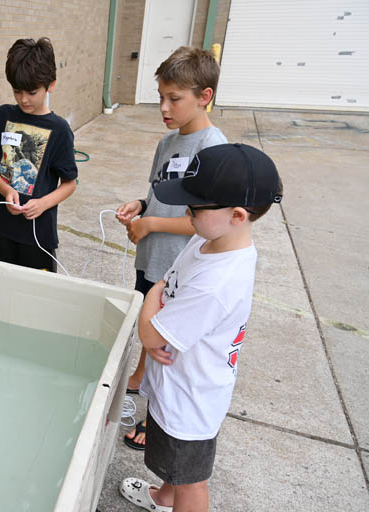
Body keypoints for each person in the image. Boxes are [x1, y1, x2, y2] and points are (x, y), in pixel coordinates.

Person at [119, 143, 283, 512]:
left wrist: (152, 297)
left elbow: (149, 333)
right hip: (179, 381)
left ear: (238, 215)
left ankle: (174, 500)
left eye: (194, 208)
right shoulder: (209, 237)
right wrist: (161, 297)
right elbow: (168, 288)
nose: (186, 212)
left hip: (191, 400)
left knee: (191, 481)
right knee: (175, 470)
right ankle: (163, 498)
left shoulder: (218, 282)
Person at [116, 46, 227, 450]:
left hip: (177, 268)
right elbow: (157, 193)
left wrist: (151, 224)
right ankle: (139, 378)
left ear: (205, 96)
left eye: (174, 99)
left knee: (166, 345)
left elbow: (205, 223)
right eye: (161, 96)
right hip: (151, 257)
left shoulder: (213, 148)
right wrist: (140, 207)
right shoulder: (168, 141)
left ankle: (154, 419)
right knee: (149, 332)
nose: (163, 106)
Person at [0, 37, 77, 271]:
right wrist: (6, 190)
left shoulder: (59, 129)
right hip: (4, 226)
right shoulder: (2, 116)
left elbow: (69, 183)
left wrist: (43, 204)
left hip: (38, 233)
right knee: (5, 284)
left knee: (38, 293)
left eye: (32, 92)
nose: (24, 99)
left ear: (50, 85)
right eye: (17, 91)